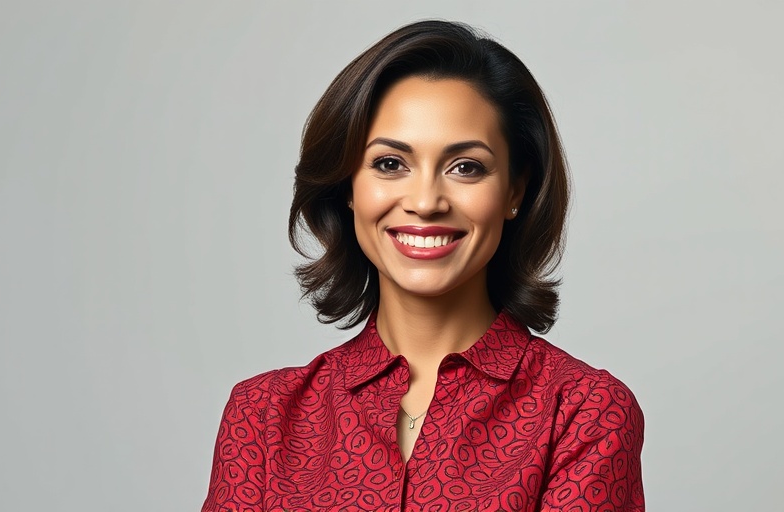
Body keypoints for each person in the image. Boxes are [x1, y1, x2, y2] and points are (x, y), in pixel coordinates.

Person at [201, 20, 644, 512]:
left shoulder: (584, 413)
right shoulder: (262, 417)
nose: (427, 201)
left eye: (466, 167)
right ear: (349, 186)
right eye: (390, 163)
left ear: (515, 191)